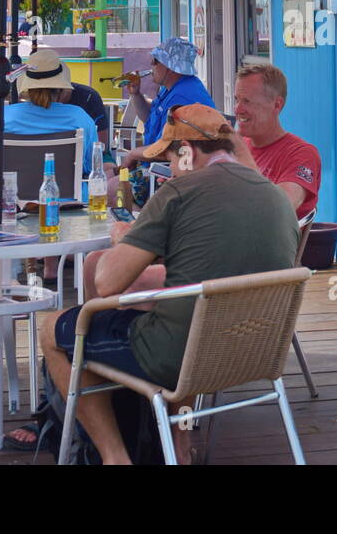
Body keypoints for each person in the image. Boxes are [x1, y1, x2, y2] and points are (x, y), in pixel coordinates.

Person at [26, 103, 299, 463]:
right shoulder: (276, 197)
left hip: (177, 356)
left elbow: (106, 282)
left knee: (54, 330)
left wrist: (126, 238)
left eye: (169, 158)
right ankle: (179, 446)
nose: (168, 169)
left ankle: (114, 456)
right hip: (254, 352)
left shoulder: (178, 193)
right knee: (174, 309)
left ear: (187, 152)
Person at [0, 48, 98, 180]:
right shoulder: (79, 118)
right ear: (61, 87)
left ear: (27, 85)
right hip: (67, 199)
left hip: (11, 199)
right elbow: (91, 166)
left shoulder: (3, 118)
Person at [230, 63, 321, 219]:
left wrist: (238, 150)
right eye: (237, 100)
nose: (237, 110)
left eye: (247, 101)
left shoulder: (302, 154)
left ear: (277, 104)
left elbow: (279, 209)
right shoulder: (239, 145)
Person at [118, 36, 215, 169]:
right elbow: (149, 118)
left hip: (168, 173)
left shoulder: (182, 98)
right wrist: (136, 94)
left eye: (156, 61)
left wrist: (132, 155)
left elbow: (164, 151)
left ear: (170, 66)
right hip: (156, 165)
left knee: (110, 184)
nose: (151, 64)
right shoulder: (173, 88)